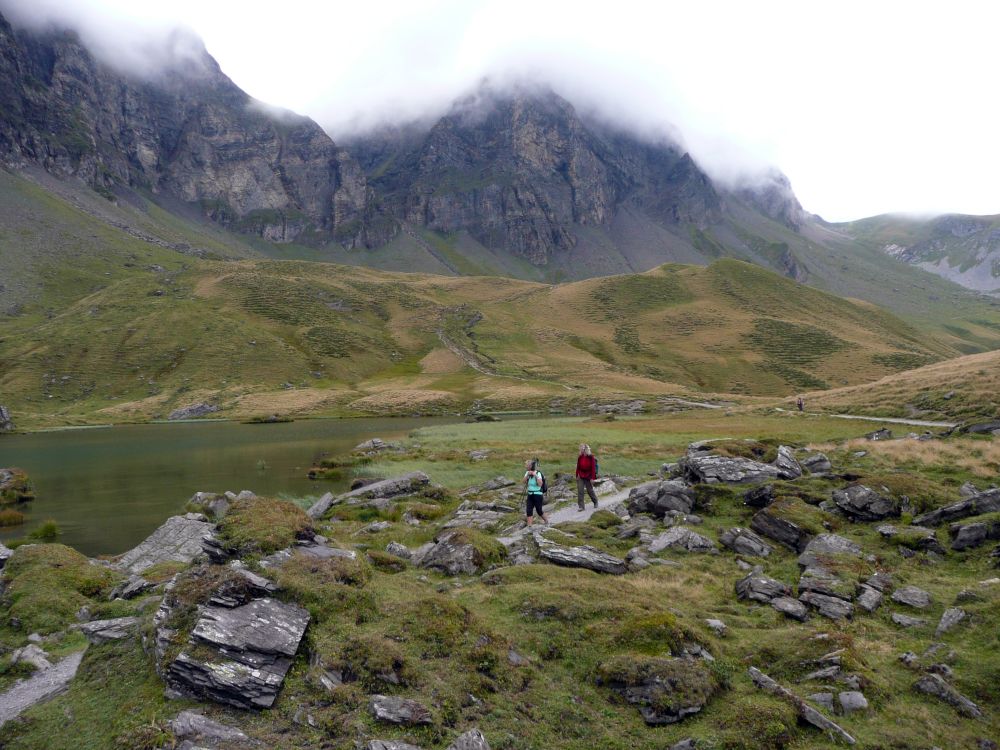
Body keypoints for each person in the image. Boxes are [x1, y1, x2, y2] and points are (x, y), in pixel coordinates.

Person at [523, 459, 548, 526]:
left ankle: (546, 521)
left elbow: (540, 484)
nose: (525, 466)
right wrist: (527, 475)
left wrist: (535, 475)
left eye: (526, 465)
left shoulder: (538, 473)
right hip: (530, 494)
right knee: (529, 510)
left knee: (539, 510)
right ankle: (529, 526)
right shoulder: (527, 472)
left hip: (538, 494)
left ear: (531, 466)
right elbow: (524, 482)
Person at [575, 443, 599, 511]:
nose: (581, 450)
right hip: (581, 475)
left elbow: (593, 468)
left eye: (582, 448)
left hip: (588, 475)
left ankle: (595, 501)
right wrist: (577, 475)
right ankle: (581, 506)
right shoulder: (580, 457)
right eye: (580, 449)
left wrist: (592, 478)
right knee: (580, 491)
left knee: (589, 490)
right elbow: (578, 467)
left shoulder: (591, 457)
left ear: (586, 449)